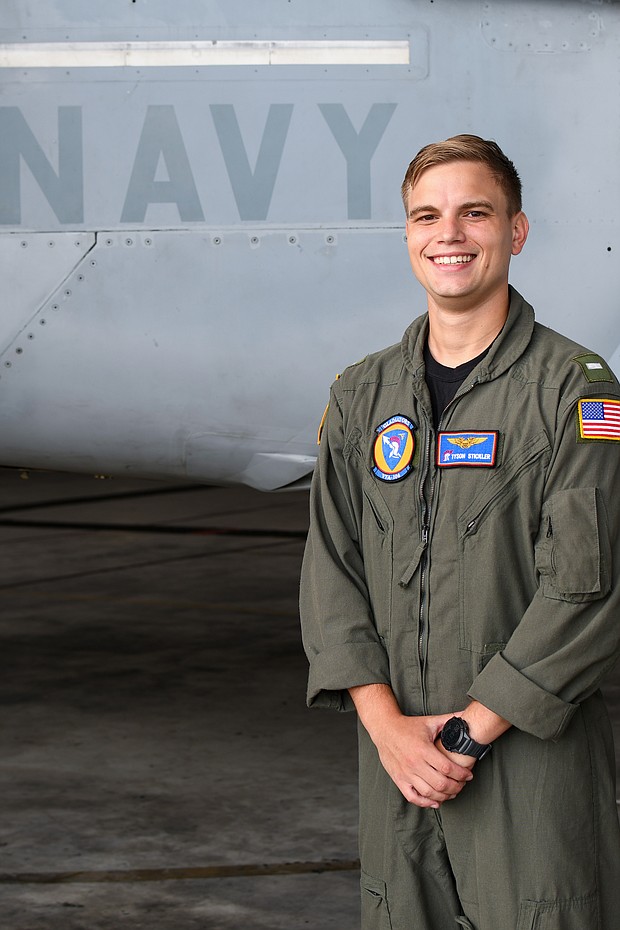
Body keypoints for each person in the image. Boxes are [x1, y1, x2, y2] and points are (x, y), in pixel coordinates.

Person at [299, 134, 620, 929]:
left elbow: (587, 590)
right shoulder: (361, 396)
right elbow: (331, 571)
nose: (449, 234)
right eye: (427, 216)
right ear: (408, 235)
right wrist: (388, 731)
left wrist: (465, 736)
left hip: (528, 767)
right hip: (396, 767)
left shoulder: (575, 394)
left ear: (515, 231)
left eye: (475, 212)